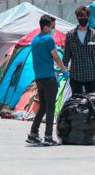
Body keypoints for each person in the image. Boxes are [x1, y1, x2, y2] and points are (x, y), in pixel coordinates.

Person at [27, 14, 67, 146]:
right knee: (50, 107)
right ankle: (48, 136)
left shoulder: (34, 40)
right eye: (51, 27)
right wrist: (64, 71)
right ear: (45, 27)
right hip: (49, 78)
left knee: (43, 107)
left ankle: (33, 133)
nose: (52, 30)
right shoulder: (48, 39)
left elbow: (42, 58)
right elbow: (56, 57)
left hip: (39, 78)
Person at [62, 5, 95, 95]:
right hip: (76, 76)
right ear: (77, 18)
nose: (83, 19)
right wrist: (64, 71)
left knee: (91, 103)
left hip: (91, 75)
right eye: (81, 17)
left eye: (85, 17)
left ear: (88, 17)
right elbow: (66, 56)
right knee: (77, 103)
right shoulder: (70, 35)